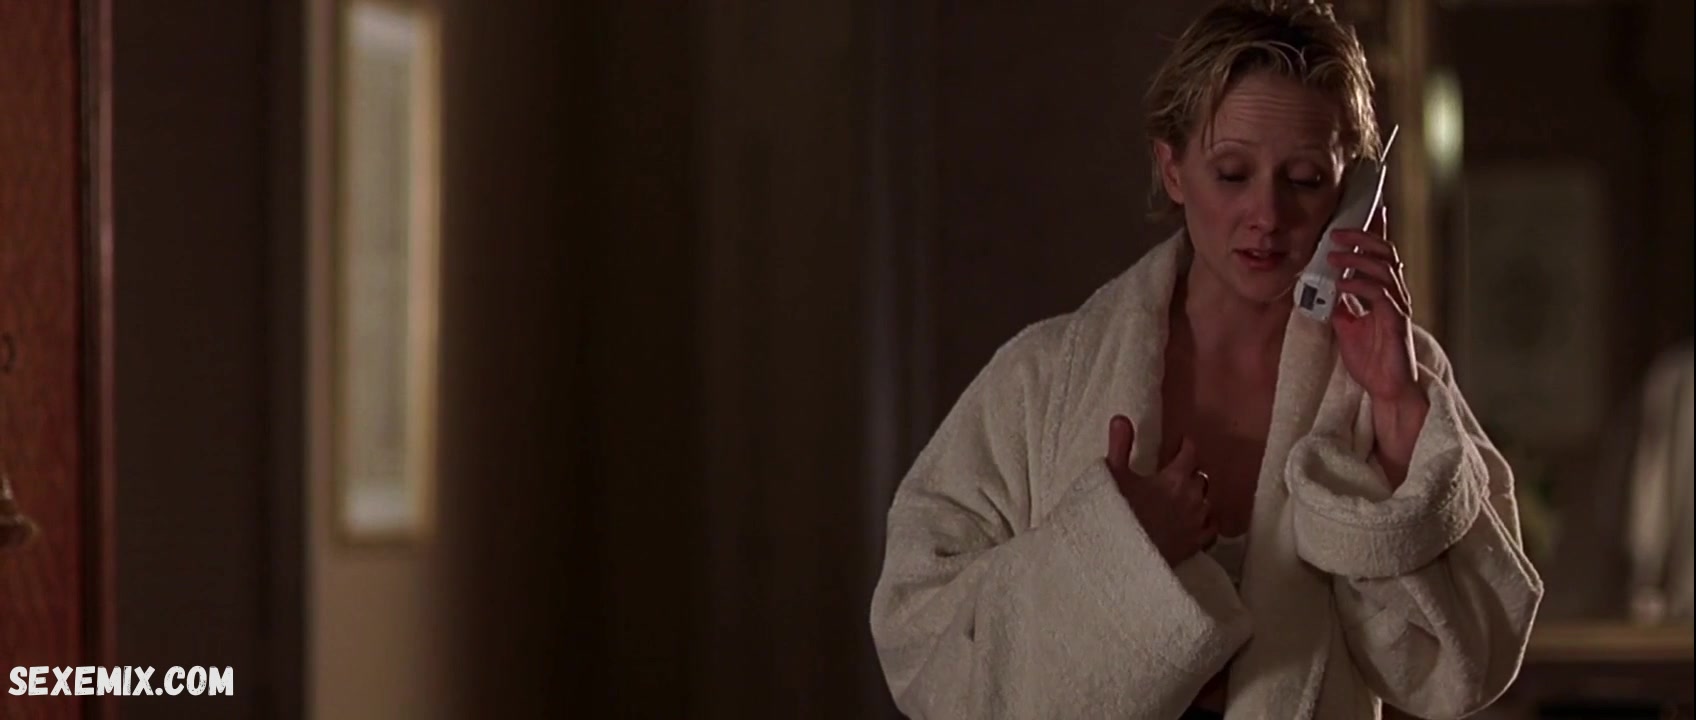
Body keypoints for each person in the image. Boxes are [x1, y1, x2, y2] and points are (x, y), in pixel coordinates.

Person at [867, 1, 1544, 718]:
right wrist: (1113, 552)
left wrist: (1401, 413)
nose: (1268, 215)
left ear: (1354, 189)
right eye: (1231, 173)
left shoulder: (1395, 380)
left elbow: (1470, 663)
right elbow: (919, 641)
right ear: (1173, 168)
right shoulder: (1042, 378)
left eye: (1304, 179)